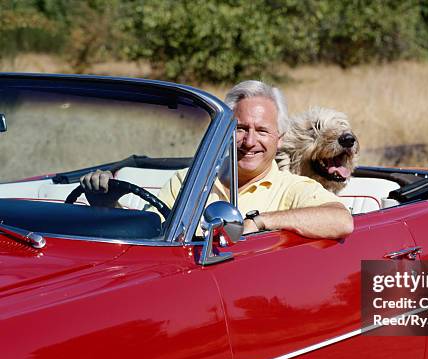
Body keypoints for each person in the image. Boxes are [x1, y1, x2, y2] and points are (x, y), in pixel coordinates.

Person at [80, 80, 353, 239]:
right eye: (240, 129)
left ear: (279, 138)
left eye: (262, 131)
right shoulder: (189, 180)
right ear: (222, 132)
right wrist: (108, 206)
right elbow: (151, 234)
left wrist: (259, 222)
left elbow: (341, 220)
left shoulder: (292, 187)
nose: (249, 142)